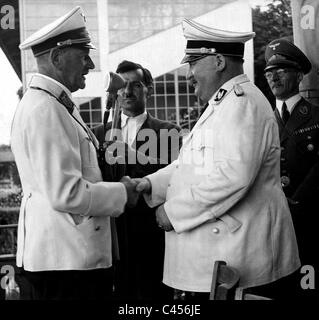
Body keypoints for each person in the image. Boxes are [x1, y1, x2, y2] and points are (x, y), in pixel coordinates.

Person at [135, 19, 300, 300]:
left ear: (219, 61)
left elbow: (233, 177)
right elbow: (194, 163)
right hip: (225, 255)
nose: (189, 74)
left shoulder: (242, 103)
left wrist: (172, 213)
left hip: (242, 260)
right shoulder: (225, 103)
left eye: (193, 64)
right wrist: (149, 183)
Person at [10, 6, 138, 300]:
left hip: (66, 259)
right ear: (56, 58)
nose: (90, 65)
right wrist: (123, 192)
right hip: (65, 266)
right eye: (83, 56)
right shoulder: (46, 109)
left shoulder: (54, 105)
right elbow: (67, 193)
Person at [93, 60, 181, 300]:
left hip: (151, 237)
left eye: (135, 84)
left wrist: (132, 155)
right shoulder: (100, 133)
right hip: (112, 239)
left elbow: (172, 176)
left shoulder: (168, 131)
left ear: (148, 88)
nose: (127, 91)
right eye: (121, 86)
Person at [264, 38, 319, 275]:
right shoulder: (260, 120)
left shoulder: (317, 116)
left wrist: (296, 203)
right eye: (269, 73)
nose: (274, 78)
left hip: (310, 216)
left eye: (282, 71)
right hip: (271, 218)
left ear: (299, 76)